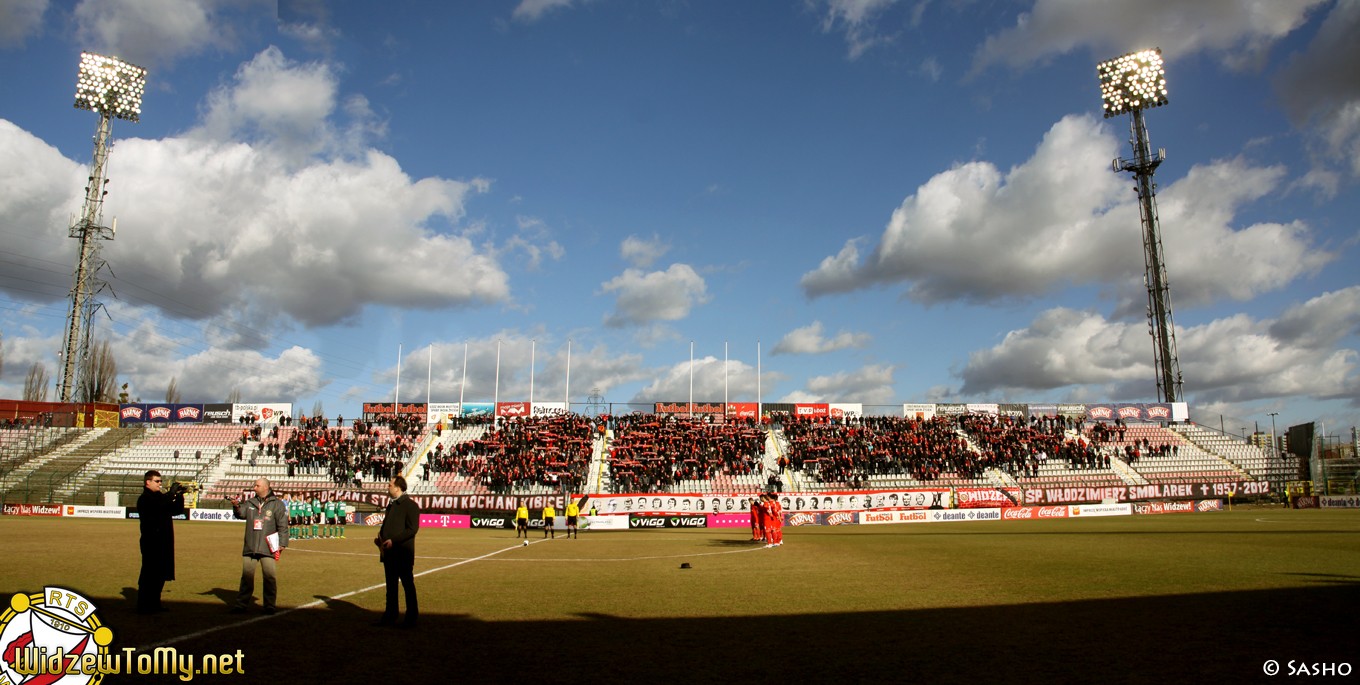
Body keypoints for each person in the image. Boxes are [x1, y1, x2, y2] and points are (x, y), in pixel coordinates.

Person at [230, 478, 289, 615]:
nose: (254, 488)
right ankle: (241, 605)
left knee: (269, 577)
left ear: (266, 487)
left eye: (257, 486)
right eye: (254, 486)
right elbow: (241, 514)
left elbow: (283, 525)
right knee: (246, 577)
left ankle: (269, 606)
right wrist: (237, 506)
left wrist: (282, 543)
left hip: (268, 546)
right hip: (250, 545)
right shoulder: (250, 502)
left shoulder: (277, 504)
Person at [137, 470, 185, 614]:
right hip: (151, 542)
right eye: (157, 481)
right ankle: (144, 605)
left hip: (164, 541)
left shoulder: (160, 498)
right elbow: (158, 506)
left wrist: (179, 496)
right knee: (149, 574)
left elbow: (176, 510)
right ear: (148, 482)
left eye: (160, 481)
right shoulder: (145, 498)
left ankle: (155, 604)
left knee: (160, 575)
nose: (160, 484)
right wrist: (171, 493)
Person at [373, 477, 419, 628]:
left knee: (407, 586)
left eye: (390, 485)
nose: (388, 487)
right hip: (389, 553)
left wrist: (393, 541)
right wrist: (380, 537)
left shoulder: (410, 505)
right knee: (391, 586)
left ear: (398, 488)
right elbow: (387, 525)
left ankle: (411, 618)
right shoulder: (391, 505)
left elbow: (412, 529)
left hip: (403, 553)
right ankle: (390, 616)